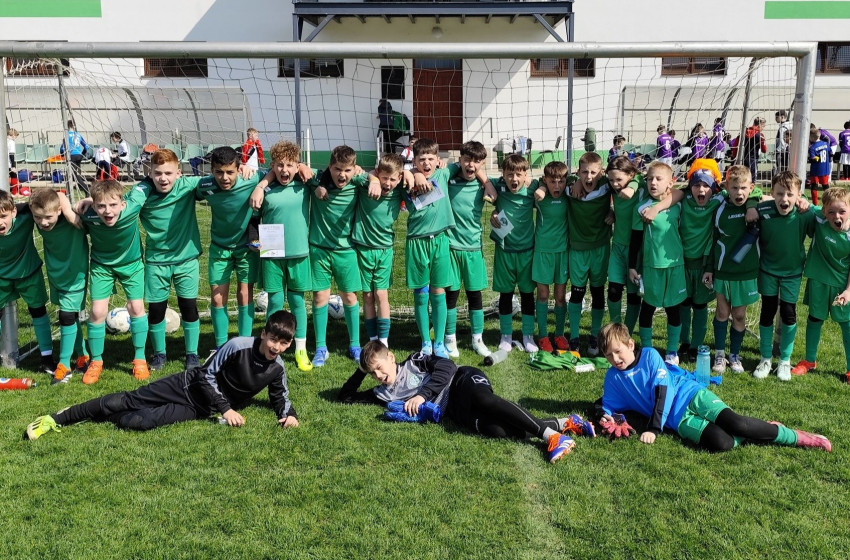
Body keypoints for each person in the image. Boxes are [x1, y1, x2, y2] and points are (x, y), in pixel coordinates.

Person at [24, 310, 300, 440]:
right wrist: (226, 409)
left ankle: (96, 415)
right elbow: (205, 376)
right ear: (263, 333)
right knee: (124, 401)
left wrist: (289, 416)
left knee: (140, 422)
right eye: (273, 339)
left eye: (284, 343)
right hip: (185, 386)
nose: (277, 347)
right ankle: (57, 418)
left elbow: (281, 396)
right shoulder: (238, 345)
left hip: (199, 408)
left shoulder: (277, 369)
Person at [338, 340, 595, 464]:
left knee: (484, 400)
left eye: (380, 368)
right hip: (454, 411)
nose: (379, 376)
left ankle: (552, 436)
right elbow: (346, 397)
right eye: (373, 374)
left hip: (462, 380)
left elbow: (447, 366)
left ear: (391, 357)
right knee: (499, 431)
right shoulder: (383, 394)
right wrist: (362, 369)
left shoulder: (414, 361)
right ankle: (566, 422)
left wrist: (421, 395)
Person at [597, 322, 831, 452]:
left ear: (630, 344)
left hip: (689, 394)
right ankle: (762, 430)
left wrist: (654, 429)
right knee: (723, 443)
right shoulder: (613, 378)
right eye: (609, 356)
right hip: (678, 420)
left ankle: (798, 437)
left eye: (618, 351)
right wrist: (605, 417)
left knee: (737, 423)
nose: (615, 359)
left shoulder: (649, 355)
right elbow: (605, 404)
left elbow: (662, 391)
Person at [408, 138, 482, 358]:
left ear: (438, 160)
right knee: (421, 294)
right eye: (422, 159)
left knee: (438, 292)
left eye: (431, 159)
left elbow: (471, 165)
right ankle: (425, 342)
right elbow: (390, 174)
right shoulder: (408, 178)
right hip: (416, 242)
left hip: (441, 241)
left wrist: (487, 184)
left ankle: (439, 342)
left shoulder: (444, 173)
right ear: (415, 160)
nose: (427, 163)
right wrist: (413, 173)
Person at [71, 180, 149, 383]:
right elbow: (63, 207)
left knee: (136, 306)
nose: (108, 211)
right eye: (101, 206)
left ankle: (139, 359)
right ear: (94, 206)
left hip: (132, 265)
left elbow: (147, 184)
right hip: (101, 266)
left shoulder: (132, 206)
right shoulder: (88, 215)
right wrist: (74, 206)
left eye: (113, 205)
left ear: (123, 204)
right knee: (97, 311)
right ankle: (96, 361)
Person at [309, 145, 381, 366]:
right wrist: (318, 185)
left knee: (350, 297)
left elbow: (375, 176)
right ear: (329, 167)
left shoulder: (358, 181)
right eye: (337, 169)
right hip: (319, 249)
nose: (342, 175)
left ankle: (355, 344)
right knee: (320, 297)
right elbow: (301, 169)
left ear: (354, 169)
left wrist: (375, 181)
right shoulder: (316, 178)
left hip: (346, 250)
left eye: (347, 170)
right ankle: (321, 347)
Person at [251, 141, 314, 371]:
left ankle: (300, 349)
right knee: (275, 301)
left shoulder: (304, 182)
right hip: (273, 250)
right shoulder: (265, 187)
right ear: (272, 166)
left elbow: (321, 175)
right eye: (279, 165)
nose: (285, 170)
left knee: (297, 301)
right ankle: (269, 347)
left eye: (290, 165)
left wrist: (305, 166)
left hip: (298, 252)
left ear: (296, 165)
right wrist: (261, 185)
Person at [196, 146, 265, 351]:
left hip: (246, 248)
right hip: (219, 248)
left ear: (238, 168)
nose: (224, 177)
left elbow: (273, 173)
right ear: (211, 171)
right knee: (217, 297)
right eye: (219, 172)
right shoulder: (205, 185)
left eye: (230, 172)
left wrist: (260, 186)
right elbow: (187, 188)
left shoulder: (251, 178)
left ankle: (244, 346)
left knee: (245, 294)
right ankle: (220, 347)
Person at [752, 171, 813, 381]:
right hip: (767, 270)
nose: (784, 199)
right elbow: (749, 194)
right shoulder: (763, 209)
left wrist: (807, 204)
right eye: (779, 194)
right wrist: (752, 205)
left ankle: (785, 360)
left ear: (798, 196)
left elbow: (823, 224)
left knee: (788, 312)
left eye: (789, 194)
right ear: (772, 193)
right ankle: (765, 358)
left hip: (792, 273)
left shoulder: (806, 214)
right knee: (768, 310)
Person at [28, 189, 90, 382]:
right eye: (38, 218)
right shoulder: (38, 218)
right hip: (56, 274)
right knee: (70, 316)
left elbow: (63, 196)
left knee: (65, 316)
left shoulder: (74, 220)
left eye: (48, 217)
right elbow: (56, 194)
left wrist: (71, 212)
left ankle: (64, 365)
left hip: (76, 274)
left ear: (59, 211)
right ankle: (82, 356)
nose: (43, 222)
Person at [628, 162, 686, 365]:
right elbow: (635, 239)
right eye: (650, 178)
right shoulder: (642, 208)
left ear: (671, 182)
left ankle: (671, 352)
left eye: (658, 179)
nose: (653, 182)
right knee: (648, 308)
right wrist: (632, 266)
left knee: (673, 309)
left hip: (675, 266)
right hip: (652, 266)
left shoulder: (678, 204)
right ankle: (647, 349)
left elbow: (681, 193)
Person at [703, 165, 759, 375]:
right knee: (722, 312)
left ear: (751, 187)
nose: (740, 193)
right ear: (727, 187)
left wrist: (752, 204)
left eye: (744, 188)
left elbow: (760, 194)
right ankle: (719, 353)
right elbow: (713, 240)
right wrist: (709, 268)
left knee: (739, 316)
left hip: (745, 273)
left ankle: (734, 355)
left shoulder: (754, 208)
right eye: (734, 188)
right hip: (722, 271)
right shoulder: (719, 208)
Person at [791, 187, 850, 381]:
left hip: (842, 286)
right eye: (831, 212)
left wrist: (848, 291)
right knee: (814, 319)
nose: (836, 216)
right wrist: (803, 201)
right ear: (824, 211)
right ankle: (809, 360)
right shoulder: (819, 218)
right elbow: (799, 201)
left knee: (847, 325)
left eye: (842, 211)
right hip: (818, 280)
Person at [353, 153, 407, 351]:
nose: (388, 183)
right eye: (384, 178)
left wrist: (410, 175)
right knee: (367, 295)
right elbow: (356, 174)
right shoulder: (366, 183)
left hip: (385, 250)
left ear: (399, 178)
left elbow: (413, 178)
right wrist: (372, 179)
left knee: (381, 294)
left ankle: (383, 341)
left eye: (393, 179)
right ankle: (372, 338)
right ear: (378, 173)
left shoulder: (400, 188)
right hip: (363, 248)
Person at [444, 141, 492, 358]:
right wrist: (452, 166)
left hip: (473, 248)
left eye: (477, 161)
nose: (471, 165)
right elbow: (441, 171)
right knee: (450, 296)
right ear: (460, 159)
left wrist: (488, 182)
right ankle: (450, 338)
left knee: (475, 296)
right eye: (467, 159)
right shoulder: (450, 179)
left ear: (483, 163)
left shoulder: (484, 185)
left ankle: (477, 339)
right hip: (451, 248)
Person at [0, 191, 56, 374]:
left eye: (3, 216)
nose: (0, 222)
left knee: (38, 312)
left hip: (28, 273)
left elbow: (45, 202)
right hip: (1, 278)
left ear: (13, 212)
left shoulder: (25, 217)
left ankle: (47, 358)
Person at [561, 152, 612, 355]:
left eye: (593, 172)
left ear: (601, 172)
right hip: (578, 249)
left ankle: (594, 337)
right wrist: (576, 183)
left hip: (600, 247)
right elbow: (545, 179)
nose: (588, 177)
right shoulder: (570, 187)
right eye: (584, 172)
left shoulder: (607, 184)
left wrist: (614, 211)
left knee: (598, 292)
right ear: (578, 172)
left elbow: (630, 180)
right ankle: (574, 337)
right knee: (577, 292)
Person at [489, 154, 538, 354]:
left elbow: (550, 181)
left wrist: (537, 184)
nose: (514, 180)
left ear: (525, 174)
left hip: (527, 252)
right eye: (510, 175)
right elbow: (481, 178)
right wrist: (493, 207)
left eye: (519, 174)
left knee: (527, 295)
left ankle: (528, 336)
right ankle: (506, 336)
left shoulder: (532, 189)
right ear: (503, 174)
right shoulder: (499, 186)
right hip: (505, 251)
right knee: (505, 295)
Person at [605, 156, 647, 334]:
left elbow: (642, 178)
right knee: (614, 290)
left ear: (630, 174)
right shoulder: (612, 188)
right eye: (611, 179)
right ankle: (615, 330)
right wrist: (612, 212)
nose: (615, 184)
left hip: (636, 249)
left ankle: (627, 333)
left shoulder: (640, 189)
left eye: (619, 180)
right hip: (617, 247)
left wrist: (633, 185)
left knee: (633, 295)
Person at [533, 160, 569, 353]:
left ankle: (560, 333)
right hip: (542, 252)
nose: (557, 186)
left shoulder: (570, 194)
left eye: (561, 181)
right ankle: (544, 335)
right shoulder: (538, 197)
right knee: (543, 295)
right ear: (545, 180)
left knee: (560, 296)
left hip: (562, 253)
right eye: (553, 181)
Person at [59, 120, 89, 195]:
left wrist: (62, 154)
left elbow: (62, 148)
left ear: (66, 126)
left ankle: (87, 189)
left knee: (73, 175)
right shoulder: (78, 135)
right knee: (72, 174)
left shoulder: (66, 135)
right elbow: (86, 146)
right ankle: (68, 193)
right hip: (78, 156)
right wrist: (82, 155)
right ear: (74, 126)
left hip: (71, 156)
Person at [735, 118, 766, 184]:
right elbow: (764, 150)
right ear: (760, 125)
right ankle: (751, 192)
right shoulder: (760, 135)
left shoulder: (742, 133)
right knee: (752, 178)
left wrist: (734, 156)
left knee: (741, 177)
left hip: (742, 159)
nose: (763, 128)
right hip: (753, 159)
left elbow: (735, 145)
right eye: (763, 126)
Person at [808, 125, 831, 206]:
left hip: (815, 170)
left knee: (814, 186)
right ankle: (829, 202)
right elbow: (830, 153)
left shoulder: (812, 147)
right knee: (825, 186)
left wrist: (812, 159)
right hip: (825, 169)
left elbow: (813, 158)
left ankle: (815, 204)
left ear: (811, 137)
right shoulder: (826, 144)